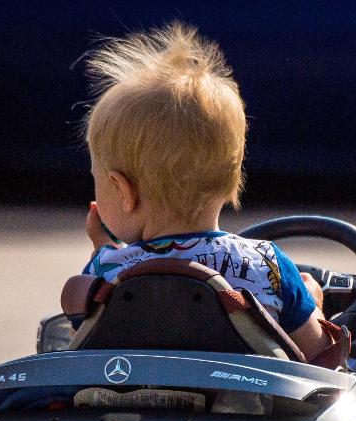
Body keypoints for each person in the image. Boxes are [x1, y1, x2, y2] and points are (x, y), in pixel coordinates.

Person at [77, 22, 335, 361]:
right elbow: (321, 357)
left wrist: (103, 253)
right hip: (246, 410)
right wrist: (311, 302)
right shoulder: (267, 264)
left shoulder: (105, 272)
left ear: (123, 191)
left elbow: (83, 346)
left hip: (130, 410)